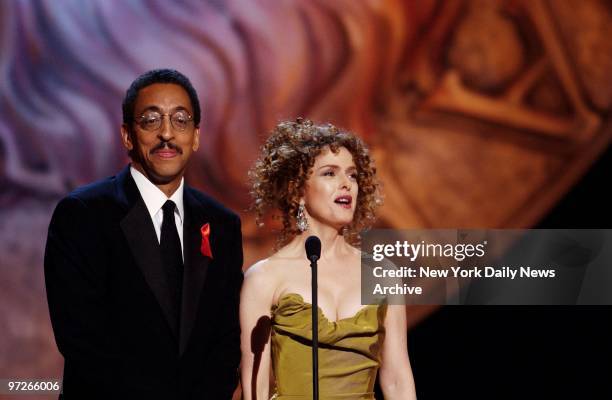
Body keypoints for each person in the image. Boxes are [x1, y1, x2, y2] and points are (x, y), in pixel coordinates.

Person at [44, 69, 243, 399]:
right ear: (127, 136)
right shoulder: (83, 214)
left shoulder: (222, 224)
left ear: (195, 136)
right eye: (151, 120)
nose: (167, 133)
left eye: (180, 120)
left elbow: (225, 339)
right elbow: (80, 338)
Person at [240, 118, 416, 399]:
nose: (346, 184)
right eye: (330, 173)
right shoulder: (264, 278)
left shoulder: (383, 273)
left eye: (352, 175)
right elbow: (255, 389)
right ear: (297, 190)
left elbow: (397, 380)